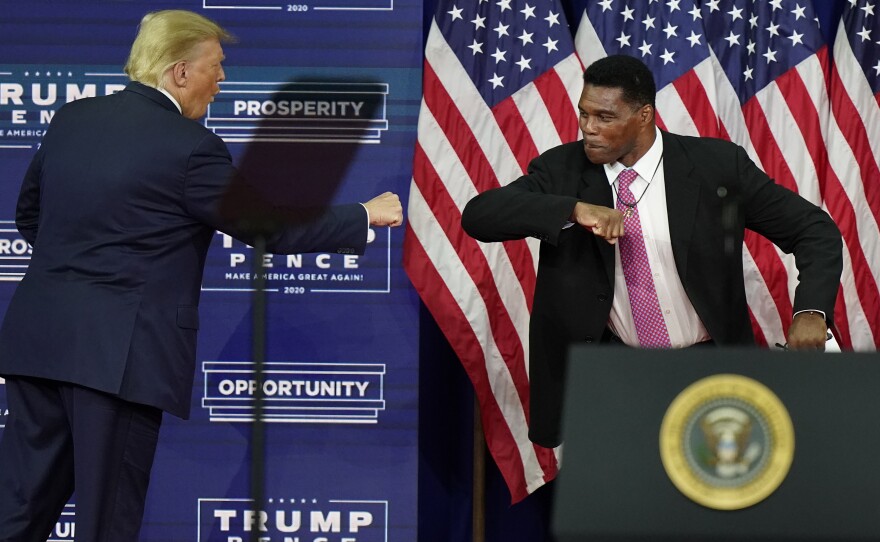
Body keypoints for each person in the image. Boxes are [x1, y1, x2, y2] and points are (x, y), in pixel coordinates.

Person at [0, 10, 403, 542]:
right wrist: (362, 216)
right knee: (106, 522)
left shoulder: (73, 119)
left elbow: (31, 217)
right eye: (216, 66)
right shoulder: (190, 148)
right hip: (119, 358)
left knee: (19, 512)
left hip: (38, 345)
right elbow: (270, 228)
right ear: (179, 72)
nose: (223, 79)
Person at [461, 54, 842, 449]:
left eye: (604, 117)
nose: (588, 128)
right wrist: (572, 209)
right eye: (583, 114)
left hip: (708, 370)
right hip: (613, 377)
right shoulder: (562, 171)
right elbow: (479, 217)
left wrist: (811, 310)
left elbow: (814, 230)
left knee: (714, 502)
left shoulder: (715, 166)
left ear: (644, 116)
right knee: (618, 506)